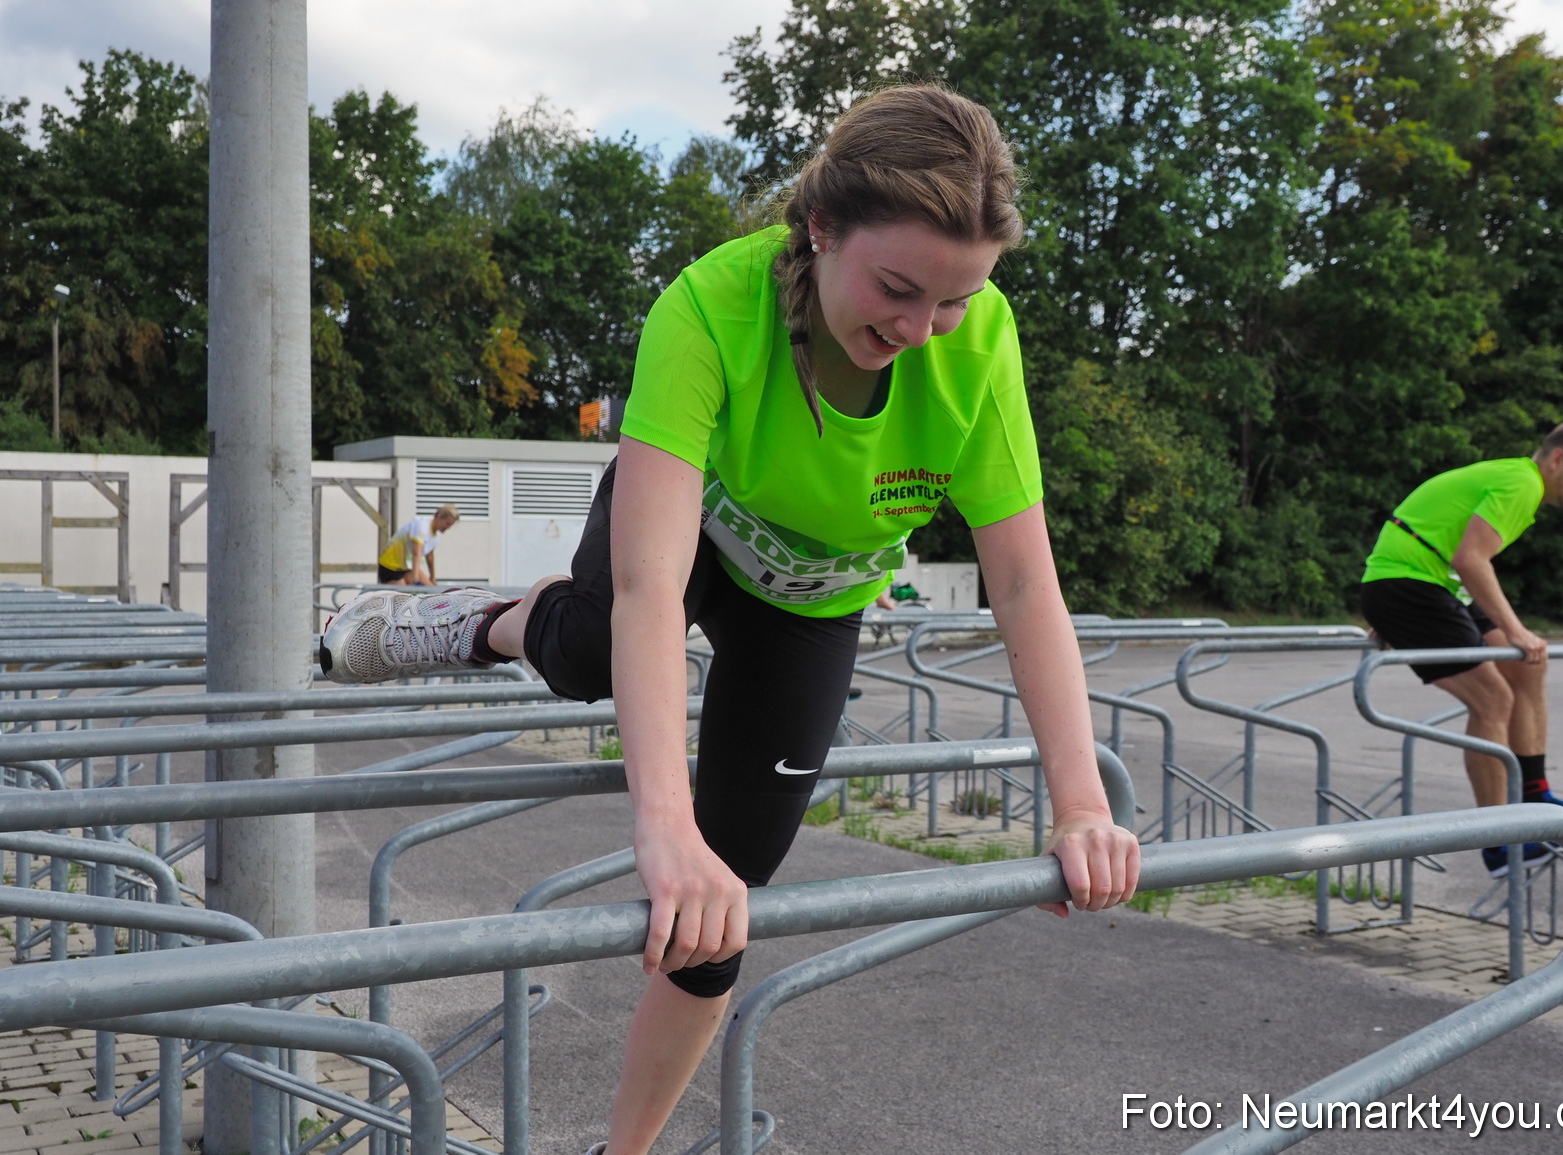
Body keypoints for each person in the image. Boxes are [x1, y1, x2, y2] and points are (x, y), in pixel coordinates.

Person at [320, 85, 1140, 1155]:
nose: (917, 330)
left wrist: (1080, 804)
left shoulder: (977, 343)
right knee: (592, 650)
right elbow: (651, 588)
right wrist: (661, 828)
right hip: (694, 534)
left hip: (814, 596)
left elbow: (1025, 584)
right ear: (820, 226)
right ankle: (483, 621)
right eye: (896, 289)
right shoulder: (709, 306)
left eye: (951, 302)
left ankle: (626, 1151)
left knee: (720, 911)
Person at [1359, 419, 1563, 876]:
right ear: (1558, 459)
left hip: (1432, 581)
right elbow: (1470, 558)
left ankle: (1536, 796)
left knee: (1528, 669)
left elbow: (1459, 557)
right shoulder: (1522, 482)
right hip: (1408, 583)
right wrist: (1515, 629)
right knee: (1493, 697)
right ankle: (1497, 840)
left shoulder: (1519, 480)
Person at [376, 505, 459, 585]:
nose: (448, 528)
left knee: (431, 590)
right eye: (447, 524)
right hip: (389, 566)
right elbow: (416, 554)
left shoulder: (435, 537)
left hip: (405, 567)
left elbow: (429, 556)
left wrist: (432, 577)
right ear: (439, 517)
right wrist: (415, 580)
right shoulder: (422, 526)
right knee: (406, 595)